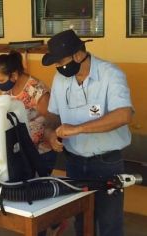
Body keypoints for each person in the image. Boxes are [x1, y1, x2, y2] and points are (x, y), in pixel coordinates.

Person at [42, 29, 133, 236]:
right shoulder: (61, 79)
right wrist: (50, 134)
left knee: (110, 223)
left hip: (106, 163)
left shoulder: (110, 74)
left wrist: (78, 129)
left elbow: (124, 115)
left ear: (78, 55)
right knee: (82, 221)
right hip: (74, 161)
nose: (58, 67)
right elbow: (53, 116)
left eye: (60, 61)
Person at [0, 51, 57, 177]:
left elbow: (53, 118)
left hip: (41, 154)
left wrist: (47, 133)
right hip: (20, 151)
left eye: (0, 80)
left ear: (14, 75)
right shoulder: (8, 88)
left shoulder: (36, 90)